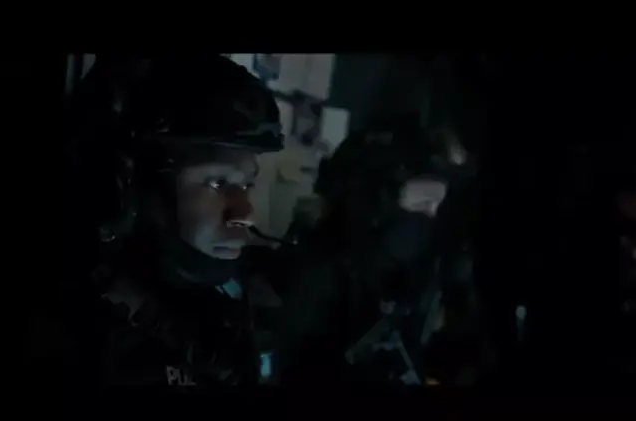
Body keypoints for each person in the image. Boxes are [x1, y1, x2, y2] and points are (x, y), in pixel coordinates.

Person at [63, 54, 285, 387]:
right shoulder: (85, 330)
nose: (244, 214)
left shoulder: (236, 308)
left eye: (246, 185)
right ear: (133, 186)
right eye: (218, 183)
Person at [275, 116, 462, 386]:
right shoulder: (323, 276)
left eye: (437, 206)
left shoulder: (406, 277)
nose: (430, 216)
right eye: (422, 204)